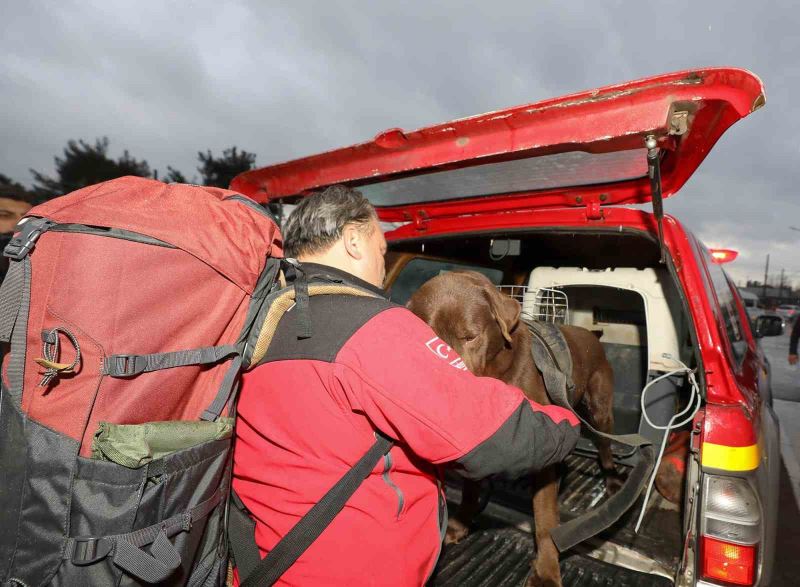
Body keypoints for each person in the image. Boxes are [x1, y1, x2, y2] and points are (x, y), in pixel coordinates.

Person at [232, 185, 580, 586]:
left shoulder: (265, 315)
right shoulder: (375, 329)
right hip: (350, 570)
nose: (384, 262)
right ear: (352, 241)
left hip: (260, 558)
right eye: (383, 250)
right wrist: (566, 422)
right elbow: (500, 441)